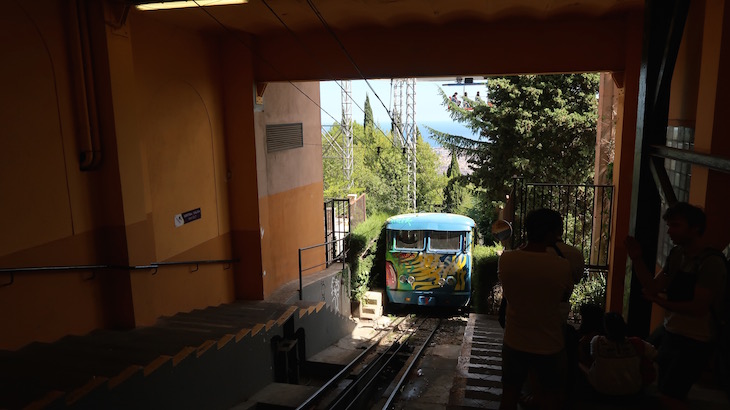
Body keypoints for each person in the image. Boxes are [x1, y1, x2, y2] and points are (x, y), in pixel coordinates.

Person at [625, 202, 727, 409]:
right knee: (669, 392)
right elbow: (653, 286)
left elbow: (698, 308)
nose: (670, 231)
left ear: (695, 228)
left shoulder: (711, 263)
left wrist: (659, 301)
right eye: (669, 225)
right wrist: (636, 259)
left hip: (696, 340)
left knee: (669, 396)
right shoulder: (678, 255)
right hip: (672, 332)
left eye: (676, 226)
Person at [498, 209, 573, 410]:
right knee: (549, 398)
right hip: (550, 343)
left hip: (514, 340)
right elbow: (563, 297)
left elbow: (508, 291)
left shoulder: (507, 260)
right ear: (550, 234)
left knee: (509, 394)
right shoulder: (562, 266)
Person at [583, 312, 658, 396]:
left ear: (605, 327)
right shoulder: (637, 343)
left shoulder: (597, 341)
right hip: (632, 391)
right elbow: (655, 355)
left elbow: (592, 357)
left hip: (601, 391)